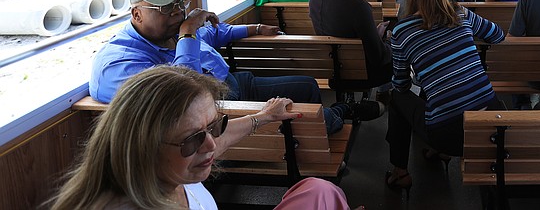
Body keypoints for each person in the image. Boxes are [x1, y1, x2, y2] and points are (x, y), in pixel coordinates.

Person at [89, 0, 362, 135]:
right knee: (319, 118)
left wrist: (254, 27)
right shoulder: (118, 63)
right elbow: (182, 93)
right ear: (136, 14)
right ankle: (339, 114)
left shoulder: (171, 33)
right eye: (165, 8)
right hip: (218, 110)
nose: (177, 13)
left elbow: (214, 33)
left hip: (236, 83)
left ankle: (334, 116)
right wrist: (187, 33)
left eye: (179, 3)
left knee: (308, 86)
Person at [50, 65, 361, 210]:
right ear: (144, 146)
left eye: (213, 126)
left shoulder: (173, 170)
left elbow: (220, 143)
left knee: (318, 189)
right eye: (193, 138)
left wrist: (263, 118)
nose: (211, 145)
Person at [385, 0, 505, 194]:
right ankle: (437, 152)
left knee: (398, 99)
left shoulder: (402, 31)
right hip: (490, 124)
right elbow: (497, 35)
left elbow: (400, 84)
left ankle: (400, 172)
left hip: (448, 135)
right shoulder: (460, 13)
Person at [310, 0, 393, 87]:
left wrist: (374, 35)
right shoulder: (359, 6)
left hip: (331, 72)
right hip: (362, 74)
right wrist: (386, 42)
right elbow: (377, 57)